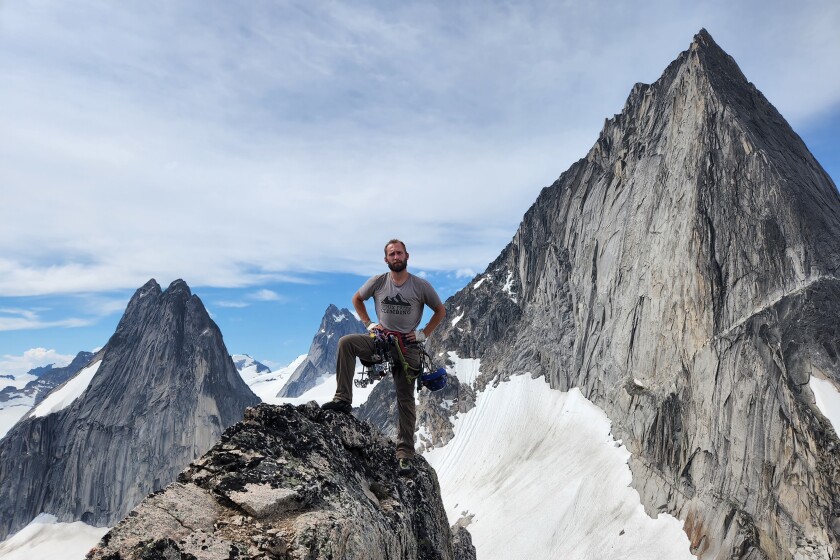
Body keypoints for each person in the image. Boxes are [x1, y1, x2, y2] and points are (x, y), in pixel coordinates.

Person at [322, 239, 446, 475]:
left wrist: (422, 334)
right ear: (386, 259)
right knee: (346, 343)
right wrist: (369, 324)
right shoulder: (378, 282)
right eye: (392, 254)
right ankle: (342, 399)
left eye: (399, 253)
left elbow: (440, 310)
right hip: (381, 340)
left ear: (407, 256)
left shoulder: (420, 286)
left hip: (407, 346)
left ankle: (405, 455)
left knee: (406, 400)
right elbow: (356, 299)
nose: (396, 257)